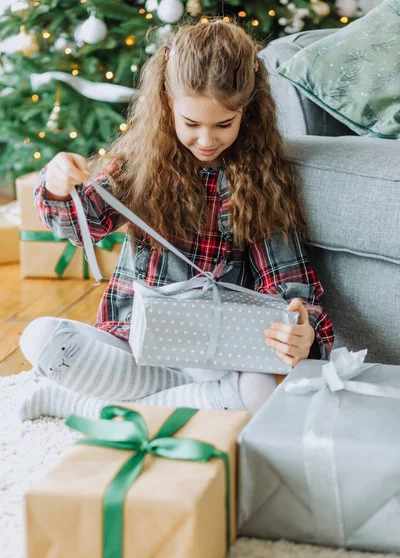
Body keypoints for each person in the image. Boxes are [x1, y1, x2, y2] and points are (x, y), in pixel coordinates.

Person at [19, 19, 334, 421]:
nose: (206, 140)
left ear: (248, 111)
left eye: (223, 124)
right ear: (168, 104)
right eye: (191, 124)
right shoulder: (140, 165)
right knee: (42, 339)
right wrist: (59, 184)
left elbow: (290, 287)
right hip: (135, 343)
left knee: (263, 387)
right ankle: (199, 401)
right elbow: (83, 226)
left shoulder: (262, 180)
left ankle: (88, 404)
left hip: (212, 353)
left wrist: (301, 329)